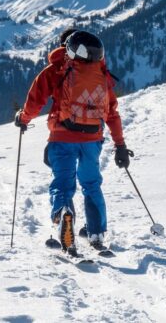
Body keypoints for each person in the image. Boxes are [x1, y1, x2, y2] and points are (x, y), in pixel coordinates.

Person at [14, 28, 133, 254]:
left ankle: (63, 216)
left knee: (62, 184)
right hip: (92, 139)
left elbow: (35, 100)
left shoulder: (57, 69)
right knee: (91, 184)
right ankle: (95, 231)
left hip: (62, 137)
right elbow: (112, 113)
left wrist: (23, 118)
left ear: (65, 47)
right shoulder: (101, 74)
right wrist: (120, 145)